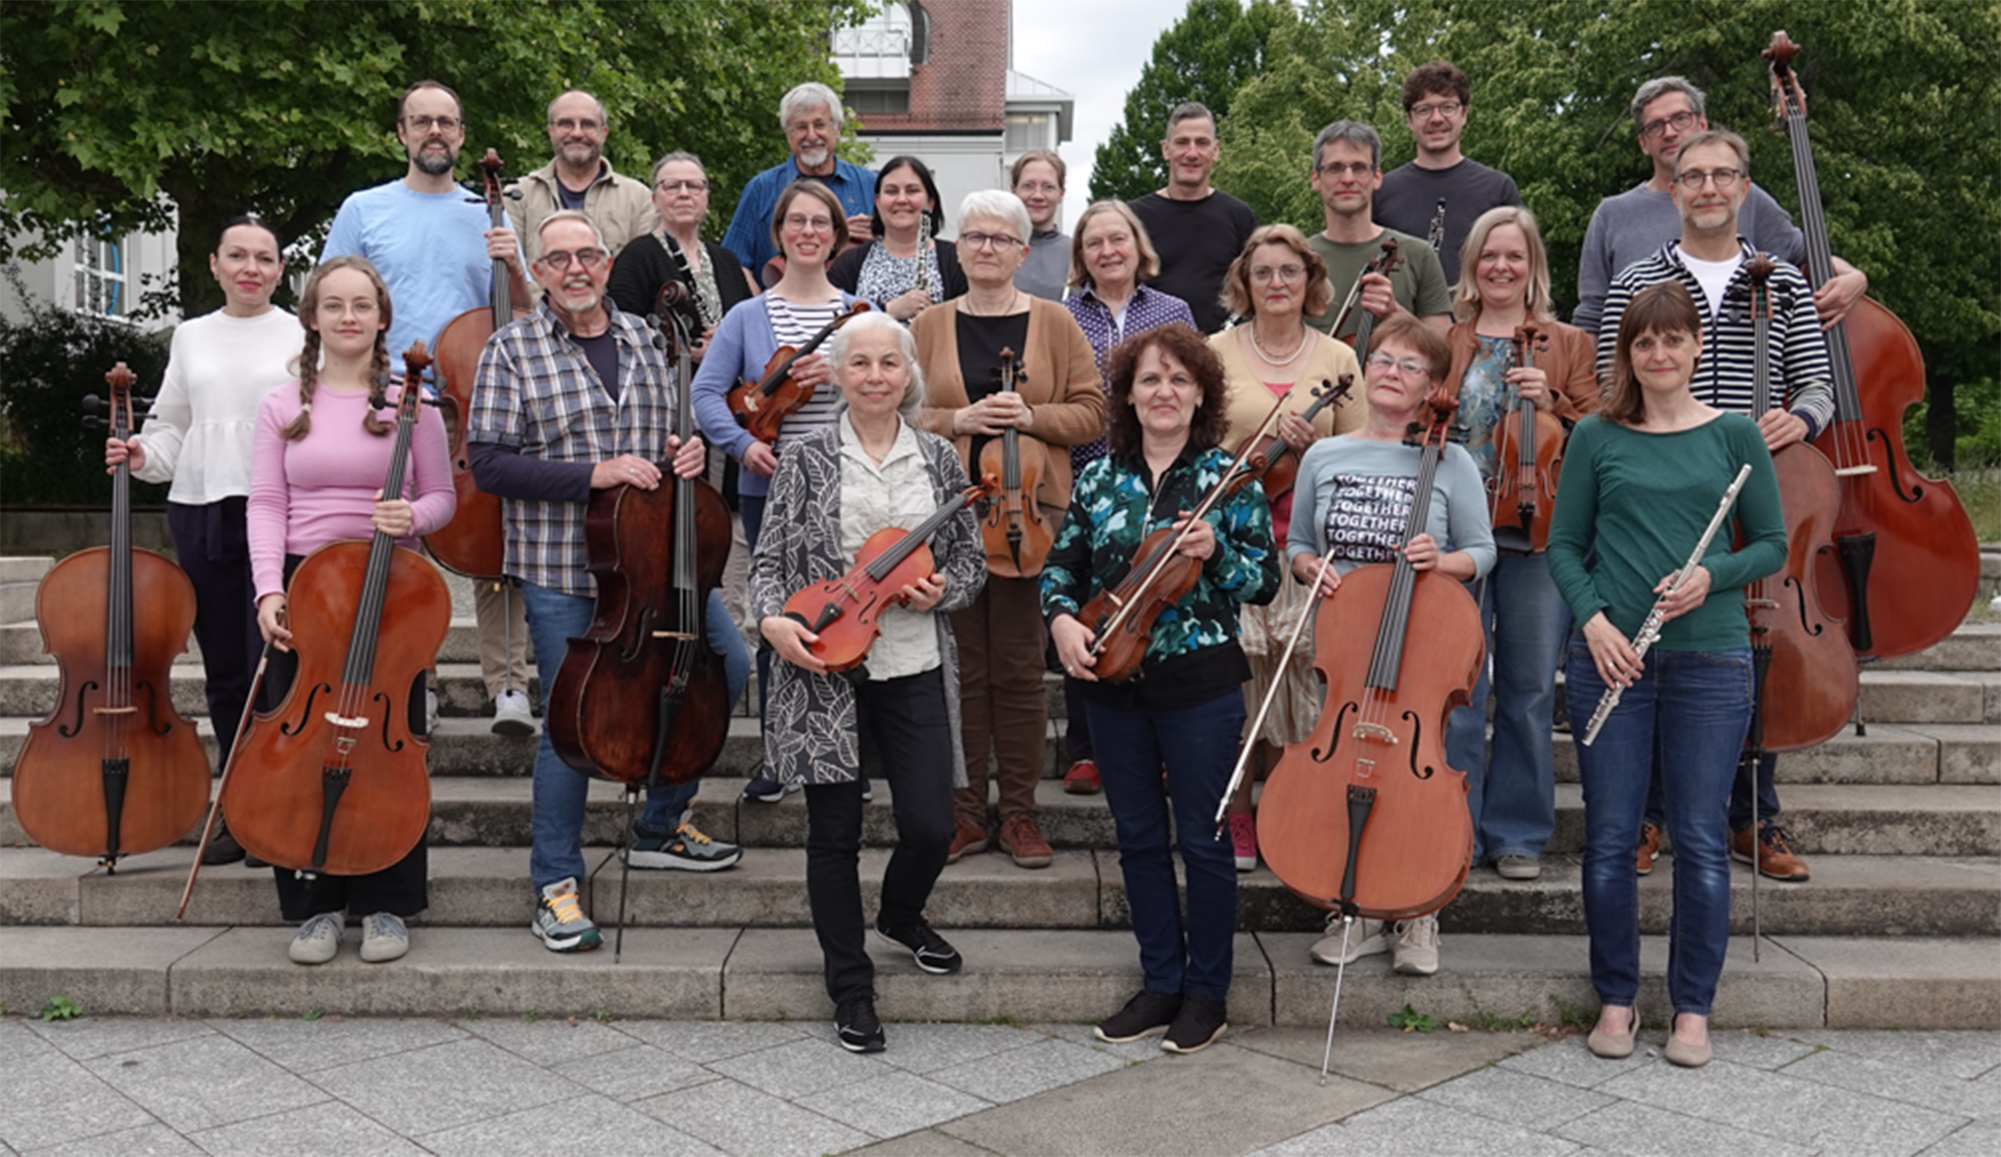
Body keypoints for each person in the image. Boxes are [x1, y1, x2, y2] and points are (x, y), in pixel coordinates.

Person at [467, 211, 748, 955]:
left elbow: (673, 437)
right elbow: (490, 462)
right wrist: (594, 473)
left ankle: (660, 822)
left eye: (587, 253)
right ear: (538, 270)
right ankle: (554, 884)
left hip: (653, 567)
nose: (575, 268)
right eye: (557, 258)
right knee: (572, 729)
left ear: (605, 259)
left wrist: (684, 454)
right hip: (565, 568)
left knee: (730, 665)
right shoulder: (511, 349)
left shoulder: (648, 339)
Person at [1548, 280, 1786, 1069]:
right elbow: (1561, 546)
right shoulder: (1594, 435)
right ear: (1628, 351)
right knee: (1611, 838)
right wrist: (1593, 622)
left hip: (1711, 656)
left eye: (1672, 339)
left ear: (1695, 346)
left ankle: (1691, 1009)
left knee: (1699, 837)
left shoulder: (1735, 436)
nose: (1658, 353)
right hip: (1612, 653)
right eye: (1643, 342)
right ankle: (1615, 999)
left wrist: (1709, 576)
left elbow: (1771, 546)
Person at [1596, 128, 1835, 885]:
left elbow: (1818, 383)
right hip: (1662, 484)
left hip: (1756, 480)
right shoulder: (1636, 278)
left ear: (1743, 187)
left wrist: (1798, 420)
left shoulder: (1783, 281)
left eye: (1720, 174)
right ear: (1670, 186)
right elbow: (1612, 385)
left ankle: (1751, 813)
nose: (1705, 187)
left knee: (1746, 647)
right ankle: (1648, 814)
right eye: (1690, 175)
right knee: (1657, 636)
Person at [752, 311, 987, 1054]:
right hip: (825, 662)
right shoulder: (807, 457)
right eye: (861, 363)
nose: (876, 375)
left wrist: (941, 589)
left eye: (890, 363)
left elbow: (971, 566)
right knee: (834, 835)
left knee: (929, 825)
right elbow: (765, 565)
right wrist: (770, 622)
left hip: (910, 658)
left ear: (908, 374)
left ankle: (899, 913)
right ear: (841, 375)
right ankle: (850, 986)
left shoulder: (940, 460)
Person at [1043, 324, 1278, 1054]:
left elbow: (1263, 582)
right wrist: (1059, 623)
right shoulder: (1097, 478)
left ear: (1200, 390)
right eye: (1149, 379)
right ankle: (1159, 982)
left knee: (1204, 841)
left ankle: (1206, 993)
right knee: (1139, 838)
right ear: (1128, 395)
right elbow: (1060, 570)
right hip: (1113, 680)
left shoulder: (1228, 478)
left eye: (1178, 379)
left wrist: (1215, 557)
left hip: (1199, 682)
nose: (1163, 391)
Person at [246, 257, 454, 966]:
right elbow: (267, 503)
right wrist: (267, 589)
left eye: (361, 305)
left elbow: (442, 498)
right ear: (311, 317)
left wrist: (410, 512)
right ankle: (316, 903)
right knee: (299, 747)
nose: (348, 317)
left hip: (391, 590)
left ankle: (387, 899)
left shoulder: (409, 402)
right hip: (308, 587)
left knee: (388, 745)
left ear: (382, 318)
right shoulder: (281, 404)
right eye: (333, 305)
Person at [321, 78, 535, 738]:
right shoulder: (364, 208)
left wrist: (514, 265)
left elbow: (526, 314)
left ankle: (509, 684)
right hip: (388, 399)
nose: (434, 131)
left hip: (476, 402)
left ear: (462, 135)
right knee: (399, 540)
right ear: (402, 134)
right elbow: (330, 297)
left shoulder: (489, 213)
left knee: (495, 545)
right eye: (421, 121)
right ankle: (419, 681)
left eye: (446, 121)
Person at [1286, 314, 1495, 977]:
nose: (1389, 372)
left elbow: (1484, 552)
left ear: (1432, 385)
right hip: (1346, 643)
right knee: (1345, 767)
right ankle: (1353, 907)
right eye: (1380, 358)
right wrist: (1307, 567)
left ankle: (1416, 911)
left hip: (1423, 641)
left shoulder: (1449, 458)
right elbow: (1296, 545)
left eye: (1408, 365)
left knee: (1417, 776)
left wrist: (1441, 559)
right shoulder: (1324, 454)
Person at [912, 190, 1107, 870]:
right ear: (957, 248)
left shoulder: (1054, 323)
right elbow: (899, 414)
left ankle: (1019, 813)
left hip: (1035, 518)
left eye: (1001, 238)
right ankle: (965, 812)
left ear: (1025, 252)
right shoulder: (929, 325)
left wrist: (1029, 416)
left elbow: (1093, 414)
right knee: (961, 673)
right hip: (950, 523)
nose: (986, 247)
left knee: (1022, 674)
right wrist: (956, 421)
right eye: (974, 237)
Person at [104, 216, 297, 868]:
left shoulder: (303, 332)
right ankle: (236, 808)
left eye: (264, 257)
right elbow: (171, 427)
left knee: (275, 670)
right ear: (214, 263)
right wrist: (138, 452)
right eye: (237, 255)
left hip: (281, 510)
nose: (251, 267)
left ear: (279, 268)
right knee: (225, 670)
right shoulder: (190, 335)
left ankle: (275, 808)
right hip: (202, 507)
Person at [1439, 207, 1600, 882]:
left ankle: (1517, 833)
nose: (1499, 267)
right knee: (1457, 689)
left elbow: (1603, 430)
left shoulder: (1567, 342)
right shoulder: (1446, 337)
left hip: (1538, 534)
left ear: (1532, 264)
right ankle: (1451, 826)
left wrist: (1555, 397)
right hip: (1454, 536)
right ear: (1471, 265)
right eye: (1487, 255)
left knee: (1530, 689)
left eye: (1513, 255)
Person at [693, 180, 864, 805]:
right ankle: (780, 753)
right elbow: (707, 395)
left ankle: (849, 752)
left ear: (836, 236)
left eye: (821, 222)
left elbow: (893, 398)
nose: (809, 232)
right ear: (780, 234)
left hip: (847, 484)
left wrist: (845, 376)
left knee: (851, 614)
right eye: (797, 221)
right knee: (779, 618)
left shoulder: (859, 313)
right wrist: (743, 449)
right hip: (772, 487)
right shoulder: (747, 315)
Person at [1208, 224, 1363, 872]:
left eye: (1288, 272)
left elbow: (1361, 452)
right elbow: (1190, 443)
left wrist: (1312, 448)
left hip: (1307, 542)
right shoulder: (1213, 350)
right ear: (1245, 283)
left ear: (1310, 282)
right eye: (1263, 272)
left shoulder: (1337, 358)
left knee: (1297, 679)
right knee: (1239, 679)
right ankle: (1236, 809)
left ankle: (1282, 805)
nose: (1276, 283)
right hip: (1233, 540)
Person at [1056, 200, 1197, 794]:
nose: (1108, 251)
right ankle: (1086, 747)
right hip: (1091, 475)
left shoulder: (1173, 310)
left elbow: (1192, 384)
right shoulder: (1063, 314)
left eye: (1119, 240)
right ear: (1081, 257)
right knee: (1092, 601)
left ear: (1139, 247)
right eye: (1095, 243)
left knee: (1158, 601)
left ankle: (1161, 742)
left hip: (1162, 470)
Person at [1572, 75, 1867, 338]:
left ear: (1702, 124)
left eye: (1680, 119)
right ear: (1643, 143)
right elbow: (1592, 319)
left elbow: (1805, 253)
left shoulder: (1743, 198)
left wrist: (1855, 277)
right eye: (1655, 126)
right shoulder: (1611, 215)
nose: (1670, 132)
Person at [1373, 60, 1523, 283]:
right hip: (1401, 317)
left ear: (1464, 115)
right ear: (1409, 120)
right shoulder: (1380, 190)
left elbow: (1521, 266)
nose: (1436, 119)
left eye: (1447, 107)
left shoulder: (1499, 188)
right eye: (1424, 110)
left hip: (1479, 317)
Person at [1303, 120, 1453, 340]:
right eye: (1335, 168)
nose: (1347, 179)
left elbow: (1446, 348)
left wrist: (1396, 314)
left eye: (1359, 168)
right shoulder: (1298, 258)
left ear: (1376, 177)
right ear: (1316, 179)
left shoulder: (1418, 254)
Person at [720, 82, 878, 287]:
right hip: (778, 315)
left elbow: (899, 251)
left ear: (837, 129)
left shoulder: (870, 185)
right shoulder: (761, 189)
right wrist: (759, 307)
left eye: (820, 125)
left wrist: (880, 238)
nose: (811, 136)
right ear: (788, 135)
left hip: (854, 314)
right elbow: (733, 264)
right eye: (801, 127)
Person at [1128, 103, 1260, 334]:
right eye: (1182, 142)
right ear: (1166, 150)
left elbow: (1257, 290)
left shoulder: (1240, 217)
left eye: (1202, 143)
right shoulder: (1133, 218)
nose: (1191, 153)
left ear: (1215, 151)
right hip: (1150, 354)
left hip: (1225, 352)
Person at [605, 151, 758, 346]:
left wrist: (727, 344)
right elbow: (622, 330)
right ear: (654, 200)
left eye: (694, 186)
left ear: (706, 199)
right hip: (667, 374)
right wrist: (684, 349)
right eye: (672, 187)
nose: (684, 193)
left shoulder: (727, 260)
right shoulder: (636, 256)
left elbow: (750, 326)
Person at [509, 89, 656, 268]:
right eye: (566, 124)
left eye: (587, 124)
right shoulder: (518, 196)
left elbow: (643, 273)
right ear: (551, 131)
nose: (577, 133)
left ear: (604, 133)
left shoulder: (639, 199)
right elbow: (513, 272)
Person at [827, 155, 966, 319]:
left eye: (912, 191)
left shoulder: (957, 259)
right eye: (891, 191)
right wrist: (888, 310)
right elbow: (831, 322)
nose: (901, 199)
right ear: (878, 202)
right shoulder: (849, 263)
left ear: (930, 202)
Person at [1012, 148, 1071, 301]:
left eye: (1048, 187)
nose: (1038, 196)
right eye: (1028, 186)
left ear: (1061, 194)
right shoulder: (995, 248)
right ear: (1013, 191)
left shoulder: (1078, 253)